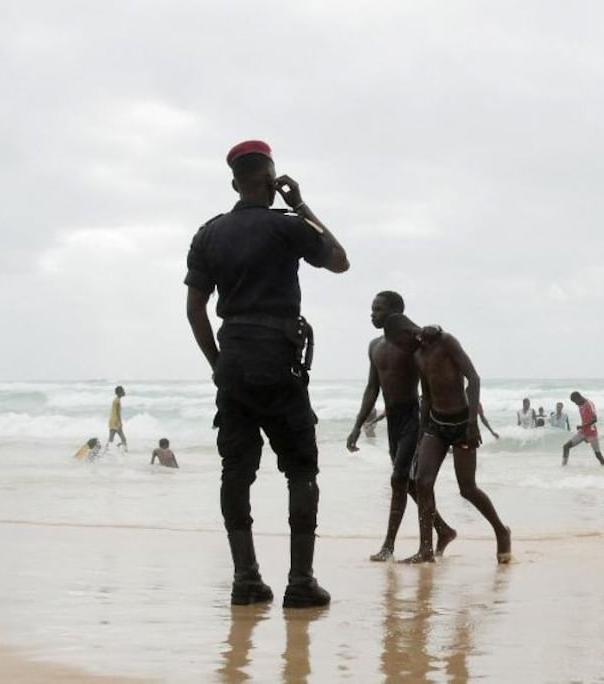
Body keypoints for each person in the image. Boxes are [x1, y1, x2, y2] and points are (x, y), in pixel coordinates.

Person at [185, 140, 348, 608]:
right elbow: (339, 260)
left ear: (236, 183)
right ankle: (300, 582)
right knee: (301, 469)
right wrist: (302, 204)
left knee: (236, 471)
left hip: (233, 357)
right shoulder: (288, 225)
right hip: (278, 356)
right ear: (273, 182)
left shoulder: (209, 234)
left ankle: (246, 579)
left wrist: (218, 363)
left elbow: (195, 309)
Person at [381, 314, 511, 564]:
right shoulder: (417, 357)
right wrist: (421, 439)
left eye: (399, 342)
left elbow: (473, 378)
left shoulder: (445, 342)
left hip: (463, 424)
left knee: (467, 489)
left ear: (407, 333)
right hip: (436, 426)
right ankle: (426, 550)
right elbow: (427, 397)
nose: (399, 349)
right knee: (421, 481)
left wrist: (473, 422)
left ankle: (501, 531)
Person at [345, 291, 456, 563]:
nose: (373, 314)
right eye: (372, 309)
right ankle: (443, 530)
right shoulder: (374, 346)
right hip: (392, 420)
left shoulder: (411, 345)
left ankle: (388, 547)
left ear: (395, 313)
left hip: (413, 416)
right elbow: (372, 388)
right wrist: (358, 425)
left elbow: (434, 341)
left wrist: (436, 329)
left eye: (379, 309)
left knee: (398, 478)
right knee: (406, 483)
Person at [563, 392, 604, 466]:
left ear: (579, 397)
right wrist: (582, 427)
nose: (575, 404)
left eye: (575, 402)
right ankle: (563, 466)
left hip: (591, 433)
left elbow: (594, 419)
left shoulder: (589, 404)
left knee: (598, 455)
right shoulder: (580, 405)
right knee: (566, 446)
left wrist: (582, 426)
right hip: (582, 432)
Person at [107, 385, 128, 450]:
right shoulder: (117, 401)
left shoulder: (116, 400)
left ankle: (105, 451)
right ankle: (125, 451)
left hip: (112, 421)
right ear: (120, 392)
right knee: (123, 439)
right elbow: (118, 413)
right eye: (123, 391)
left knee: (111, 439)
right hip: (116, 422)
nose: (124, 392)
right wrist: (120, 422)